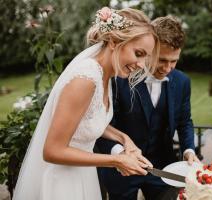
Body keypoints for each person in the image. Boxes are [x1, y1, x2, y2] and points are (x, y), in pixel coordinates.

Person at [12, 7, 160, 200]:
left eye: (145, 57)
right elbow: (52, 151)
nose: (141, 64)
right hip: (63, 182)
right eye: (138, 53)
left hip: (81, 174)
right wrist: (117, 160)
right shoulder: (86, 78)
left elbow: (88, 120)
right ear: (114, 42)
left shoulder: (106, 75)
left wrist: (125, 139)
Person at [96, 16, 200, 200]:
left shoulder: (183, 81)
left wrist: (189, 150)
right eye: (162, 60)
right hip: (121, 171)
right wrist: (119, 155)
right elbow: (101, 126)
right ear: (149, 50)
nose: (168, 68)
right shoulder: (118, 78)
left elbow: (185, 122)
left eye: (174, 61)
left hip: (163, 169)